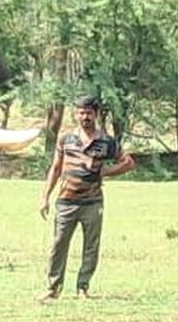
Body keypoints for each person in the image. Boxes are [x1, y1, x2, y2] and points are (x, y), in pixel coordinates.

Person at [38, 95, 135, 300]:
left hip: (92, 202)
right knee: (58, 244)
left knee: (91, 246)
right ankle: (53, 288)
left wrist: (106, 172)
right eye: (81, 113)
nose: (85, 117)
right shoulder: (66, 138)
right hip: (66, 201)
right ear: (76, 114)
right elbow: (55, 168)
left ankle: (83, 287)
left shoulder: (106, 142)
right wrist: (45, 196)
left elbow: (128, 162)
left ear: (96, 114)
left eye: (89, 113)